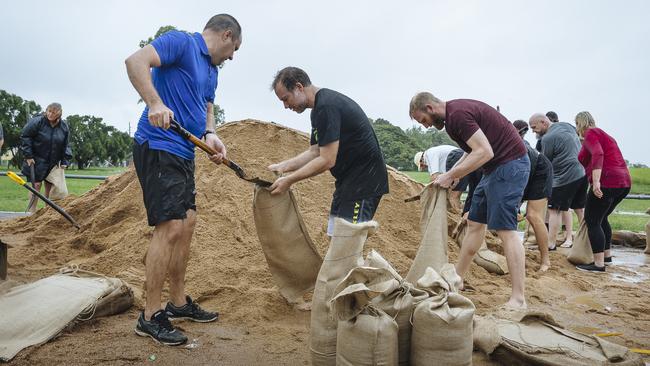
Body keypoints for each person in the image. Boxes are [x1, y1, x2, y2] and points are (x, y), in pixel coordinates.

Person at [125, 14, 241, 346]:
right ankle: (149, 316)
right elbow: (136, 61)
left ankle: (176, 303)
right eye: (234, 48)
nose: (232, 56)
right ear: (227, 35)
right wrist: (155, 102)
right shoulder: (181, 42)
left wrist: (211, 134)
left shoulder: (212, 71)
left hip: (185, 151)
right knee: (171, 226)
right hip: (158, 145)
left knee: (187, 223)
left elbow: (206, 105)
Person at [409, 92, 530, 309]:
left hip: (510, 165)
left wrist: (450, 175)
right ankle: (458, 278)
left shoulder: (458, 115)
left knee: (505, 230)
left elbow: (484, 151)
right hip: (492, 169)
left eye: (423, 121)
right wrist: (455, 173)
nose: (425, 126)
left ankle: (518, 298)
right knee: (474, 224)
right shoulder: (452, 120)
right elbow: (471, 152)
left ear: (429, 107)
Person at [268, 67, 388, 234]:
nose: (285, 106)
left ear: (299, 87)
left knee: (346, 243)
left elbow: (326, 160)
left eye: (286, 99)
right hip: (347, 184)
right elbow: (315, 152)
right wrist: (283, 166)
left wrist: (288, 181)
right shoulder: (318, 111)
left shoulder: (327, 106)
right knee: (335, 237)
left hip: (363, 184)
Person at [574, 112, 631, 272]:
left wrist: (597, 181)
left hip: (607, 181)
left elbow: (598, 153)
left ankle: (598, 264)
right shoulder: (605, 135)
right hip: (623, 182)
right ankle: (607, 256)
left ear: (579, 123)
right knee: (602, 217)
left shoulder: (591, 133)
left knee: (592, 220)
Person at [529, 113, 587, 252]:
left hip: (564, 177)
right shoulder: (567, 126)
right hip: (582, 172)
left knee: (554, 210)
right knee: (580, 209)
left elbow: (545, 162)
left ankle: (550, 243)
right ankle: (588, 241)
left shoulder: (548, 138)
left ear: (543, 122)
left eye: (534, 127)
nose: (533, 131)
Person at [513, 120, 553, 271]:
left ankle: (545, 260)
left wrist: (516, 206)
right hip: (523, 170)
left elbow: (518, 180)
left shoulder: (515, 146)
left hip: (540, 170)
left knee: (533, 216)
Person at [20, 103, 72, 212]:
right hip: (36, 160)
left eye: (54, 112)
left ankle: (46, 212)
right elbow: (25, 136)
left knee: (50, 187)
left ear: (59, 113)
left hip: (53, 162)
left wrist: (64, 160)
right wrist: (28, 155)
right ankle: (32, 213)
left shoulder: (64, 127)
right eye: (49, 111)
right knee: (36, 186)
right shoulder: (37, 122)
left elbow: (65, 145)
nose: (50, 114)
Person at [414, 145, 464, 211]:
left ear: (421, 160)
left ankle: (454, 217)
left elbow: (434, 177)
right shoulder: (439, 156)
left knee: (452, 196)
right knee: (455, 195)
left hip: (456, 157)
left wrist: (427, 193)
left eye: (423, 166)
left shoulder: (428, 155)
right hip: (465, 157)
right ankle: (458, 214)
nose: (425, 167)